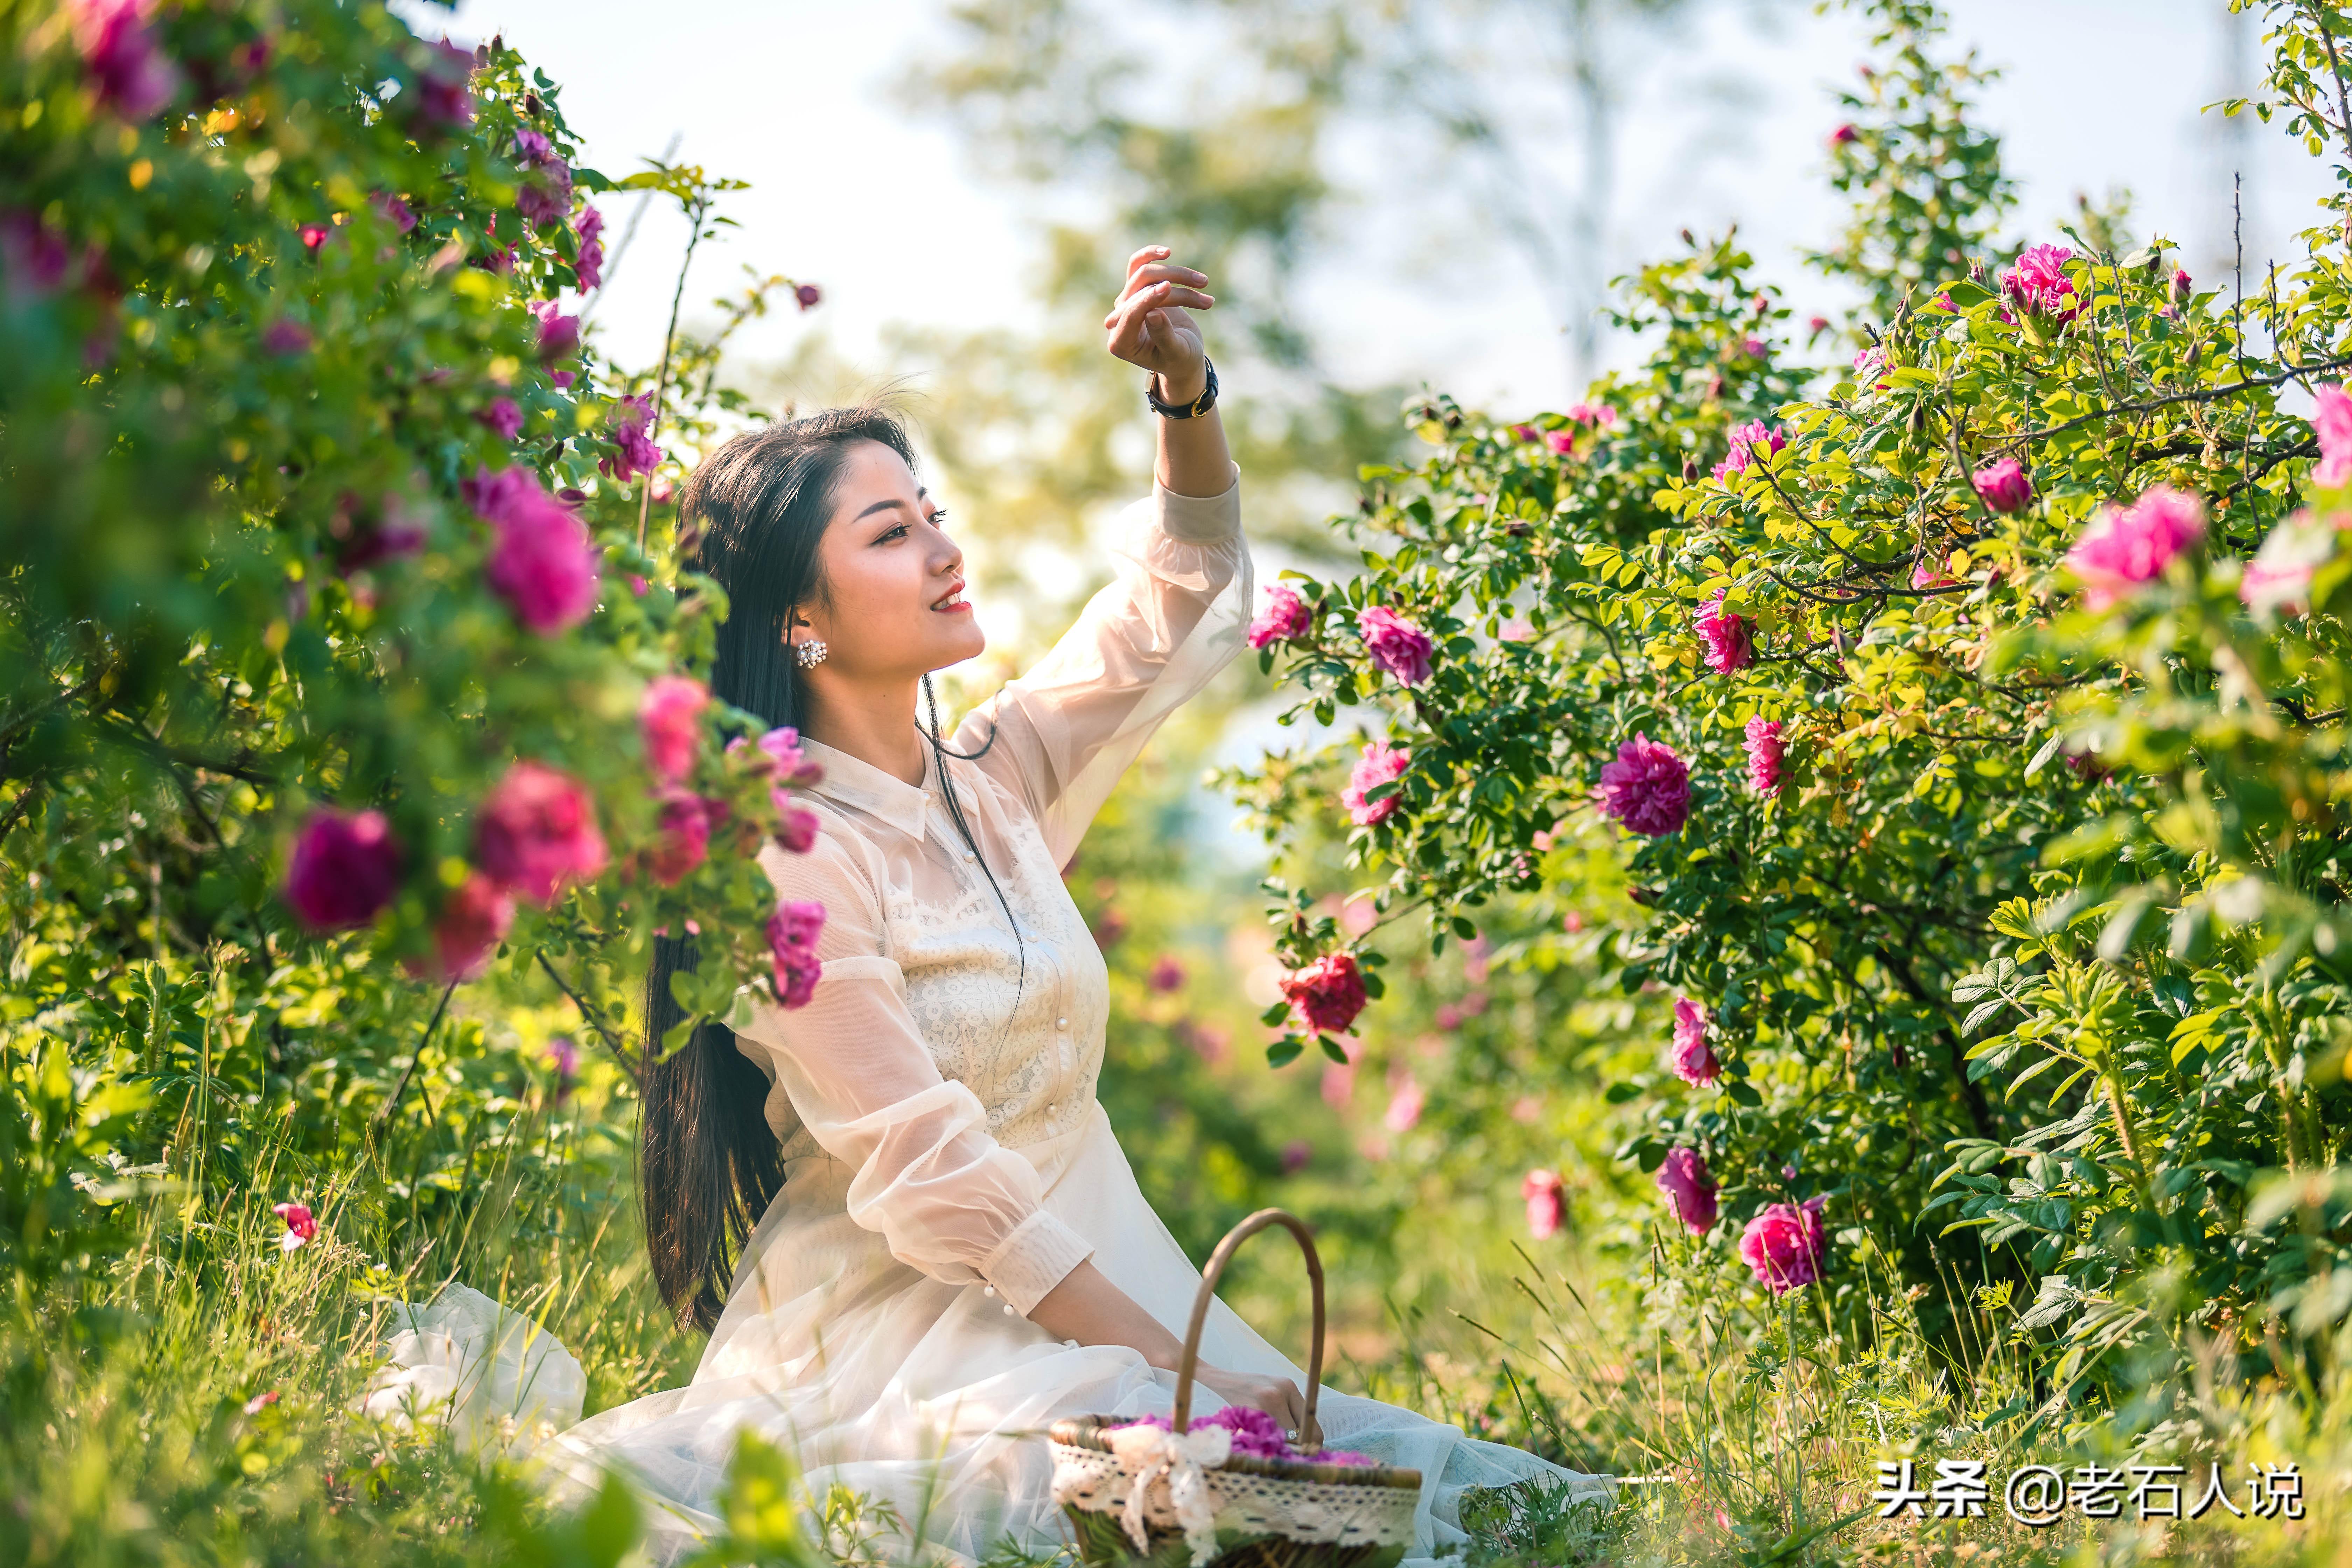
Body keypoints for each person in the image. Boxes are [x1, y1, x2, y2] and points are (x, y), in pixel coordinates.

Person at [534, 246, 1610, 1560]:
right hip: (904, 1346)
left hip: (1111, 1310)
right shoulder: (785, 846)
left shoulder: (995, 777)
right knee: (1152, 1478)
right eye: (892, 533)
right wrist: (1176, 1369)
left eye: (932, 512)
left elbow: (1179, 594)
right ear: (799, 619)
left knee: (1471, 1492)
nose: (945, 547)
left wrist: (1184, 395)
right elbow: (926, 1170)